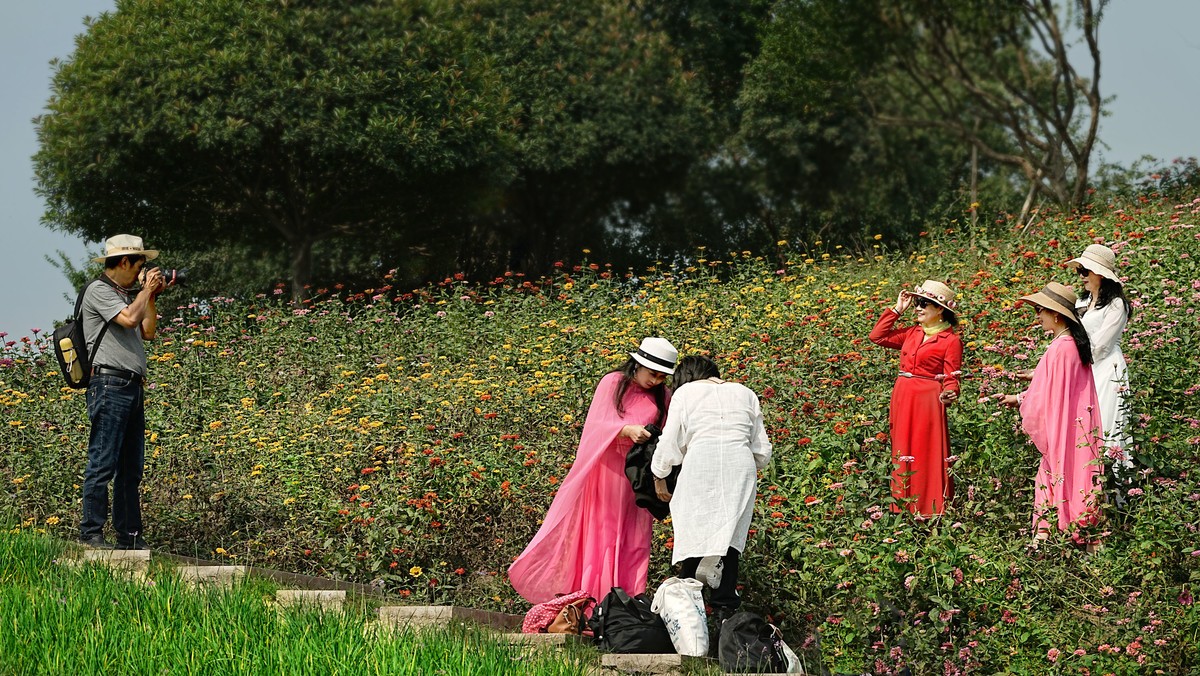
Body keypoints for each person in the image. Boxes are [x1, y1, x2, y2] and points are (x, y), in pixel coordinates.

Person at [509, 337, 676, 606]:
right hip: (607, 471)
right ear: (637, 364)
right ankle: (595, 604)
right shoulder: (613, 382)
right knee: (604, 534)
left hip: (637, 476)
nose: (656, 380)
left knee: (635, 539)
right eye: (652, 373)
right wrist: (626, 430)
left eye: (662, 376)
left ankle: (626, 606)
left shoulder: (663, 395)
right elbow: (595, 425)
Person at [650, 355, 771, 621]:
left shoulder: (685, 394)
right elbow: (762, 451)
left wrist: (659, 475)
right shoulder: (745, 392)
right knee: (730, 535)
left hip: (700, 462)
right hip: (740, 464)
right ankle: (724, 609)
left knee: (695, 531)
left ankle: (687, 607)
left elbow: (670, 441)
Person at [999, 282, 1103, 545]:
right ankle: (1082, 536)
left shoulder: (1060, 348)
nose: (1038, 316)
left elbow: (1046, 393)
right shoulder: (1073, 344)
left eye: (1040, 310)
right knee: (1078, 473)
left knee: (1053, 471)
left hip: (1063, 425)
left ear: (1055, 314)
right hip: (1078, 424)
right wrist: (1021, 396)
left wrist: (1019, 399)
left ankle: (1045, 538)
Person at [79, 234, 166, 549]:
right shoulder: (98, 290)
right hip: (109, 384)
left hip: (132, 386)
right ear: (126, 261)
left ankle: (130, 536)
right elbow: (129, 319)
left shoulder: (129, 295)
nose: (143, 272)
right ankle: (91, 533)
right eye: (141, 265)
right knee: (103, 460)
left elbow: (148, 331)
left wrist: (150, 296)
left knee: (131, 468)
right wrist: (145, 291)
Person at [868, 280, 963, 516]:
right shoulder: (912, 332)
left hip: (927, 400)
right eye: (916, 303)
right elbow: (877, 336)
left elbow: (952, 375)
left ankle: (930, 508)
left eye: (923, 303)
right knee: (902, 448)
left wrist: (950, 392)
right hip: (903, 395)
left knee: (925, 449)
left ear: (939, 309)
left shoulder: (951, 340)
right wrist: (897, 309)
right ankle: (903, 507)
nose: (917, 308)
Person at [1067, 244, 1133, 480]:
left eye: (1086, 271)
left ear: (1101, 274)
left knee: (1107, 424)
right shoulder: (1081, 303)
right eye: (1080, 271)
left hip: (1107, 370)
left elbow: (1101, 346)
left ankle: (1111, 485)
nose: (1082, 276)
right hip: (1084, 368)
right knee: (1082, 426)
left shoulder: (1116, 305)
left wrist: (1071, 361)